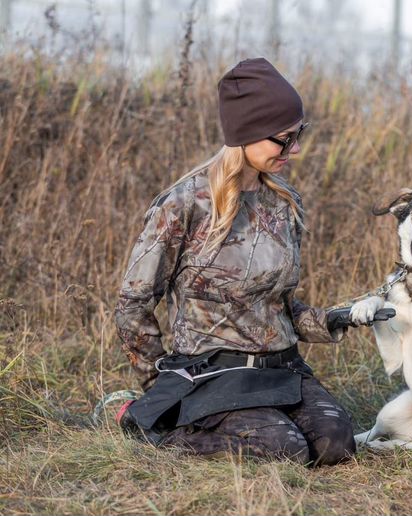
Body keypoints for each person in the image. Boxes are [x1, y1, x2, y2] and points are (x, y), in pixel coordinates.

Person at [113, 58, 356, 466]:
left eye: (300, 133)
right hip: (213, 375)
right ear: (247, 133)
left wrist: (338, 318)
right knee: (286, 449)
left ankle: (254, 418)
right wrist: (161, 386)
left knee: (336, 443)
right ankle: (152, 422)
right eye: (285, 138)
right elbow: (133, 303)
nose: (295, 148)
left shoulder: (285, 203)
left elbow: (278, 306)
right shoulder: (184, 204)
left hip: (282, 369)